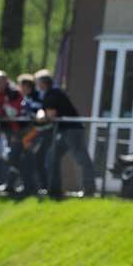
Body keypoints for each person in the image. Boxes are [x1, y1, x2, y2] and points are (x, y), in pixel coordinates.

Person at [35, 69, 97, 197]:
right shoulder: (53, 93)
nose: (37, 85)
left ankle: (89, 190)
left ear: (43, 83)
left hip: (71, 130)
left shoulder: (51, 94)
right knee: (53, 157)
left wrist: (42, 118)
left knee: (82, 159)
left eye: (38, 82)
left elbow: (51, 115)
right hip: (65, 131)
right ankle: (55, 189)